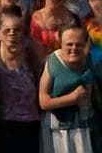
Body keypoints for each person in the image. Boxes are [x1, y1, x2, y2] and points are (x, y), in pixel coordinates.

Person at [0, 4, 42, 149]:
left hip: (31, 127)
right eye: (7, 30)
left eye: (17, 30)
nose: (12, 33)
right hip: (3, 128)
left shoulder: (32, 61)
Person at [38, 23, 94, 153]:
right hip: (57, 130)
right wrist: (72, 98)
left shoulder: (89, 60)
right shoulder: (53, 62)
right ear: (61, 43)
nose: (74, 48)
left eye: (79, 44)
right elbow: (43, 102)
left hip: (81, 127)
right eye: (69, 44)